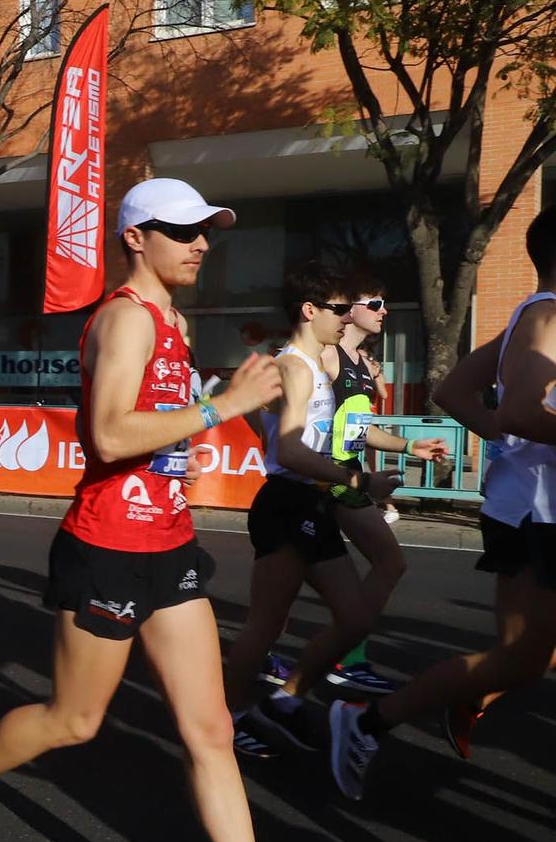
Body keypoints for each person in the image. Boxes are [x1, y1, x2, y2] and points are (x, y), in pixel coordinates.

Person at [0, 177, 367, 842]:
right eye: (183, 230)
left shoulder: (174, 320)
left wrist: (187, 450)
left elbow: (154, 437)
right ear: (135, 237)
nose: (201, 243)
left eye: (206, 232)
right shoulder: (123, 319)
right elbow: (110, 433)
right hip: (106, 547)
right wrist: (222, 408)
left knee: (210, 730)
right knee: (74, 720)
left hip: (168, 544)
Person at [329, 203, 556, 791]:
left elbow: (453, 391)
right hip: (536, 513)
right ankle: (369, 719)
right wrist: (513, 436)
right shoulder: (548, 315)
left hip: (528, 502)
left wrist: (507, 442)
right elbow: (520, 409)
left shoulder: (531, 318)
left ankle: (462, 693)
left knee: (530, 655)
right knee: (522, 658)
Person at [220, 262, 437, 759]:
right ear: (309, 310)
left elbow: (300, 434)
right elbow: (292, 450)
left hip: (310, 498)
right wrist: (357, 479)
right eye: (338, 309)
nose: (345, 318)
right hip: (287, 502)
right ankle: (228, 718)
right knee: (265, 625)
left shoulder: (316, 365)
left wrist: (367, 466)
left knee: (355, 619)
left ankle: (286, 698)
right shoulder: (294, 365)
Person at [311, 276, 407, 692]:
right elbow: (269, 402)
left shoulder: (365, 365)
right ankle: (346, 658)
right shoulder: (325, 355)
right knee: (387, 563)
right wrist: (296, 458)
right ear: (351, 309)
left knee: (280, 587)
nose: (384, 311)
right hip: (325, 483)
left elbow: (359, 428)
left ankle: (342, 656)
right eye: (377, 302)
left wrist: (411, 446)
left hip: (347, 479)